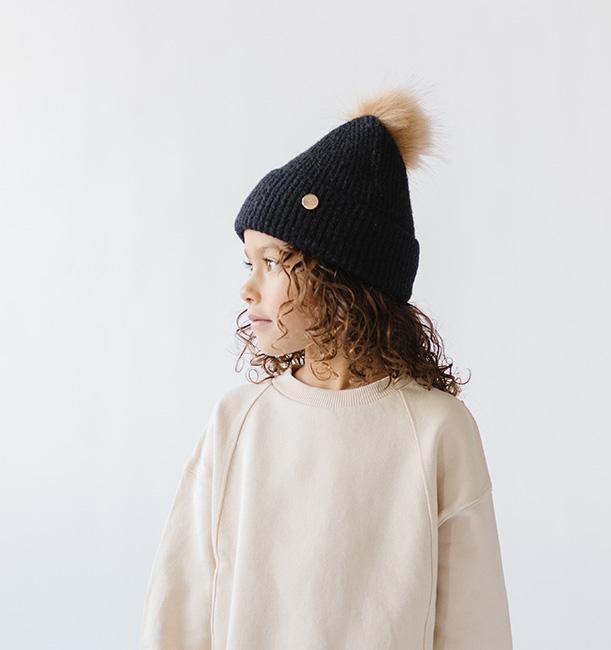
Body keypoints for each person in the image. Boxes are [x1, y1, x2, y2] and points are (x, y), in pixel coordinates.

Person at [139, 87, 513, 649]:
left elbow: (473, 624)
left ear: (340, 276)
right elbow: (180, 605)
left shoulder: (436, 430)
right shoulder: (238, 422)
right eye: (248, 262)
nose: (247, 287)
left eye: (272, 262)